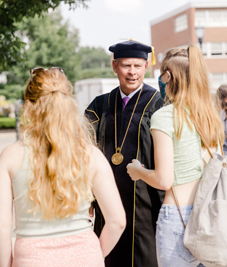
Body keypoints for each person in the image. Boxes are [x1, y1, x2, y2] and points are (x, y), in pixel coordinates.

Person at [0, 68, 126, 267]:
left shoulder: (11, 156)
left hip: (32, 260)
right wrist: (95, 254)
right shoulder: (91, 155)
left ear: (29, 105)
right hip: (85, 258)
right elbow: (117, 221)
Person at [127, 45, 223, 266]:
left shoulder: (165, 116)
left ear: (168, 76)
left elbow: (164, 180)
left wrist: (138, 171)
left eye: (161, 74)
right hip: (210, 211)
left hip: (178, 214)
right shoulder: (210, 114)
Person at [85, 40, 164, 267]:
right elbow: (82, 150)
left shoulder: (159, 104)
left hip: (147, 203)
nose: (132, 72)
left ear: (146, 67)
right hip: (106, 198)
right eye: (126, 66)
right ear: (114, 67)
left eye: (137, 66)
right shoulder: (99, 106)